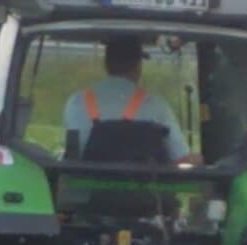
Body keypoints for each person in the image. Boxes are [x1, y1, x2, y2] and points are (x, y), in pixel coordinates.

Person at [62, 35, 201, 165]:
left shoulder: (76, 102)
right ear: (138, 66)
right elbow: (181, 158)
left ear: (106, 63)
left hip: (84, 189)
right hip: (146, 190)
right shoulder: (156, 106)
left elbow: (71, 152)